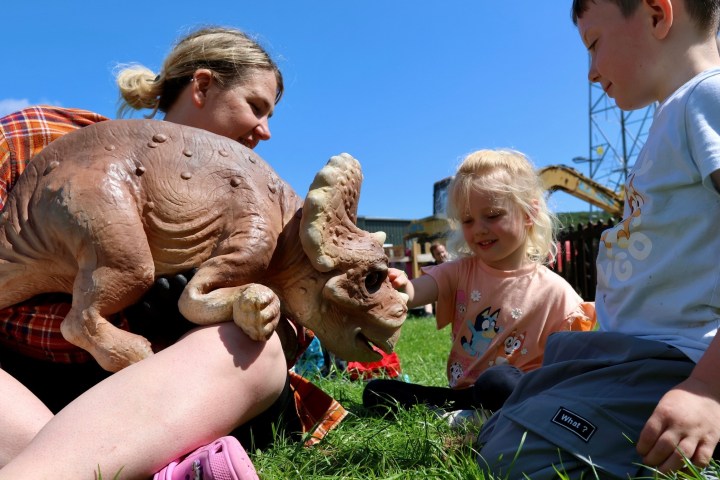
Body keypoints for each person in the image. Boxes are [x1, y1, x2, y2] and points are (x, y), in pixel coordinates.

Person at [0, 26, 343, 479]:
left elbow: (296, 323)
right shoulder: (45, 134)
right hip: (37, 378)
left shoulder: (266, 204)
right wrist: (124, 315)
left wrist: (220, 316)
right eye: (255, 107)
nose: (265, 131)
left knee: (256, 351)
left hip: (175, 397)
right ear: (201, 86)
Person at [476, 1, 720, 478]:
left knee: (512, 454)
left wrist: (707, 389)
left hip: (682, 362)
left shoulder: (706, 98)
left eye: (593, 45)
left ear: (656, 14)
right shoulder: (675, 115)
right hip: (630, 354)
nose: (590, 72)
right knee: (506, 393)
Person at [363, 149, 595, 421]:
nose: (479, 229)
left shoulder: (556, 291)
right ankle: (465, 413)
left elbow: (570, 364)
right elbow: (418, 290)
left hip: (517, 392)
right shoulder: (461, 270)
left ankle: (470, 416)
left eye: (493, 215)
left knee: (498, 382)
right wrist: (402, 288)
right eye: (468, 220)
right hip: (464, 392)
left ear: (529, 214)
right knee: (376, 391)